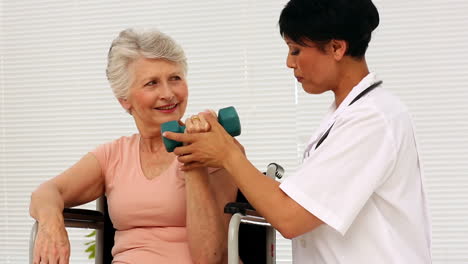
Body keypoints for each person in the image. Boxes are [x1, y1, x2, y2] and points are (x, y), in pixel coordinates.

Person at [163, 0, 432, 263]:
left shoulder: (373, 119)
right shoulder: (347, 116)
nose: (289, 63)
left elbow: (290, 218)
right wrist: (229, 154)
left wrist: (228, 155)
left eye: (295, 50)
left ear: (337, 47)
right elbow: (305, 203)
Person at [29, 28, 238, 264]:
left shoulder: (217, 147)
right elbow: (46, 193)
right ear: (124, 100)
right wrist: (51, 224)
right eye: (152, 83)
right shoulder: (114, 155)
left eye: (175, 78)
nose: (168, 94)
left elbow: (210, 259)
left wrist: (192, 159)